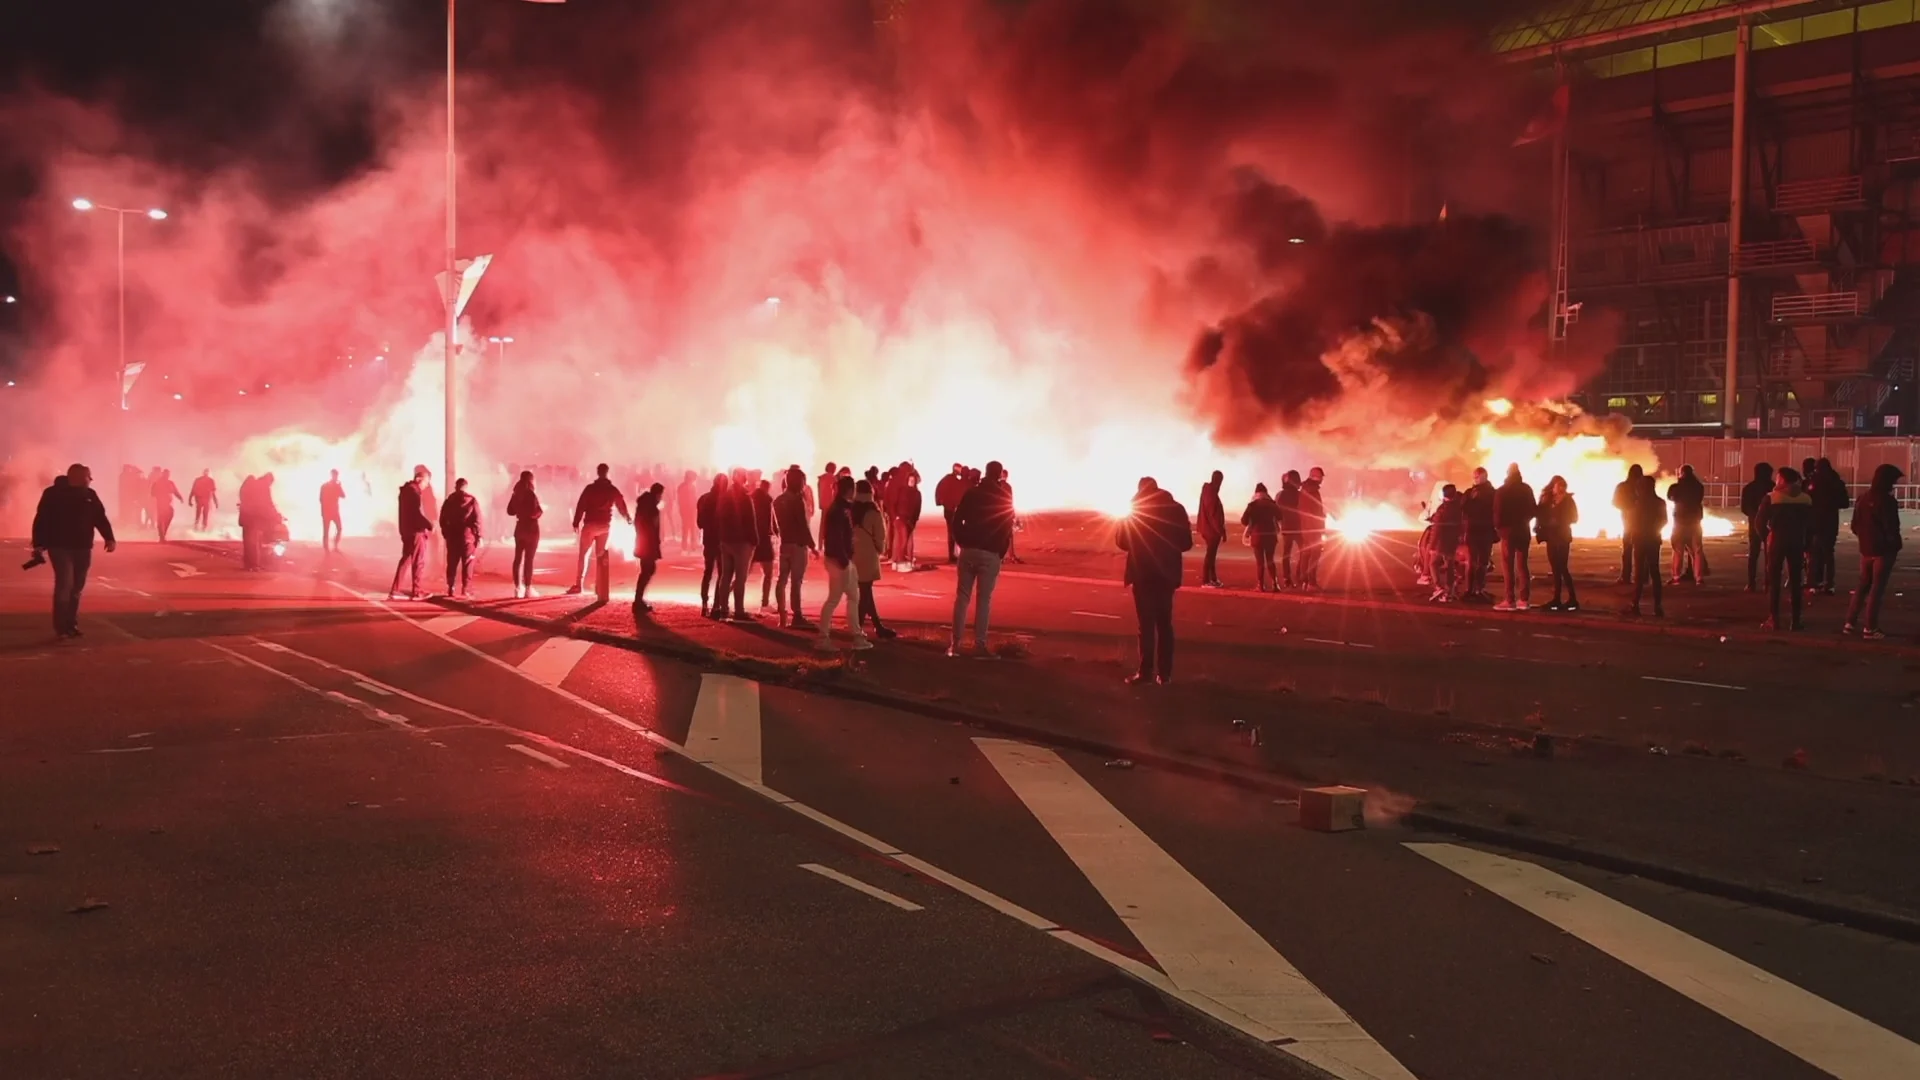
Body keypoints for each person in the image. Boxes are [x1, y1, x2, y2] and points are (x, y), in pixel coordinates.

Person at [1116, 477, 1192, 685]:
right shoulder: (1176, 509)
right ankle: (1165, 674)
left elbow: (1121, 540)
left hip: (1142, 572)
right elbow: (1186, 543)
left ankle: (1145, 672)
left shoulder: (1135, 508)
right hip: (1166, 574)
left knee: (1146, 625)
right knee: (1164, 624)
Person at [30, 464, 116, 639]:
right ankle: (61, 627)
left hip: (83, 547)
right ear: (76, 477)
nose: (90, 480)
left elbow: (100, 517)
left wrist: (109, 537)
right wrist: (38, 544)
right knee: (65, 583)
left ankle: (71, 624)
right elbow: (41, 519)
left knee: (77, 587)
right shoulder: (53, 494)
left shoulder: (89, 495)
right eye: (88, 477)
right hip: (59, 547)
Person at [949, 460, 1015, 656]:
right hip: (990, 553)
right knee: (984, 600)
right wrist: (1000, 551)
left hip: (969, 550)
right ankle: (980, 644)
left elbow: (956, 519)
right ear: (998, 475)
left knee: (962, 598)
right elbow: (1007, 526)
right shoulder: (1003, 496)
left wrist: (961, 541)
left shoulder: (972, 493)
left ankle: (955, 644)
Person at [1843, 464, 1903, 639]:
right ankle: (1870, 627)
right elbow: (1892, 527)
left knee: (1863, 586)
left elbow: (1855, 525)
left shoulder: (1862, 499)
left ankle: (1850, 622)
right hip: (1883, 551)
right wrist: (1893, 543)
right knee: (1877, 589)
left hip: (1866, 549)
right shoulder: (1888, 501)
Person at [816, 475, 871, 651]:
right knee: (834, 599)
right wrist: (844, 561)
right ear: (849, 490)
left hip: (842, 560)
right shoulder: (838, 511)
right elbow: (835, 538)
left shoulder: (841, 508)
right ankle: (823, 638)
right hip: (839, 561)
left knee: (853, 596)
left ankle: (856, 635)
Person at [1756, 467, 1812, 631]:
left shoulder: (1772, 498)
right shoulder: (1805, 498)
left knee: (1774, 581)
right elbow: (1811, 524)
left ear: (1781, 479)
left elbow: (1759, 522)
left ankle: (1774, 619)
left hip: (1777, 541)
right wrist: (1806, 543)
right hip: (1797, 541)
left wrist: (1766, 537)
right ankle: (1795, 620)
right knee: (1796, 582)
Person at [570, 463, 631, 599]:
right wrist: (627, 518)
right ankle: (600, 586)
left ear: (597, 472)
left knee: (584, 554)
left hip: (590, 524)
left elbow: (581, 505)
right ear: (607, 473)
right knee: (600, 555)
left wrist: (576, 521)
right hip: (605, 525)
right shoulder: (611, 489)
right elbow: (621, 504)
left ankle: (579, 585)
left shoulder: (590, 489)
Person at [851, 479, 897, 639]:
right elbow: (880, 538)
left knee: (865, 591)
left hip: (852, 556)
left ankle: (877, 626)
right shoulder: (874, 513)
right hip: (868, 556)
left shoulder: (850, 511)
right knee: (865, 592)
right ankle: (858, 629)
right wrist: (881, 550)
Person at [772, 467, 816, 630]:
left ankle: (782, 612)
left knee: (781, 579)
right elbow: (803, 526)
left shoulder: (777, 501)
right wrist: (812, 546)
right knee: (796, 582)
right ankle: (797, 615)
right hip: (798, 545)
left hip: (784, 544)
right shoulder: (797, 501)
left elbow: (773, 528)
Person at [1493, 463, 1536, 611]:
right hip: (1523, 531)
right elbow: (1533, 510)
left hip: (1508, 533)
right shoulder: (1526, 489)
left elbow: (1497, 513)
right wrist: (1523, 521)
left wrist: (1499, 528)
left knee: (1507, 566)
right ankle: (1524, 600)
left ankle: (1509, 600)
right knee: (1522, 565)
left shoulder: (1503, 491)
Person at [717, 467, 759, 621]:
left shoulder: (725, 496)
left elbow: (719, 517)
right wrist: (754, 540)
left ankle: (723, 609)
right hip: (742, 542)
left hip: (726, 540)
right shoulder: (745, 497)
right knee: (740, 577)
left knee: (726, 576)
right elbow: (750, 521)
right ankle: (739, 610)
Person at [389, 467, 435, 600]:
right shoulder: (414, 492)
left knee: (406, 559)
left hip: (406, 530)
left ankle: (395, 590)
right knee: (418, 561)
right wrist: (428, 525)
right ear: (419, 479)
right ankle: (417, 591)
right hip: (416, 532)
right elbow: (415, 513)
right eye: (426, 482)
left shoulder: (405, 491)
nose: (426, 486)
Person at [1535, 475, 1579, 611]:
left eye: (1563, 486)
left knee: (1562, 568)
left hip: (1563, 537)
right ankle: (1557, 599)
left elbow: (1575, 518)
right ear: (1553, 487)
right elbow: (1540, 514)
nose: (1561, 488)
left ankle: (1571, 599)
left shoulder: (1568, 500)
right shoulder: (1547, 500)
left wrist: (1559, 520)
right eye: (1558, 485)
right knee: (1555, 569)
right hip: (1552, 537)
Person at [1808, 457, 1850, 595]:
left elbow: (1807, 499)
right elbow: (1844, 503)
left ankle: (1815, 582)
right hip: (1831, 521)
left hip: (1815, 520)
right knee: (1828, 553)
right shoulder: (1836, 482)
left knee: (1815, 553)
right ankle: (1829, 583)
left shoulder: (1814, 481)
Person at [1627, 473, 1667, 618]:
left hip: (1640, 540)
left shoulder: (1638, 502)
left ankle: (1635, 604)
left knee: (1639, 574)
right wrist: (1654, 531)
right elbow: (1663, 520)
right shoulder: (1659, 502)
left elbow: (1631, 520)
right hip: (1653, 540)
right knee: (1654, 572)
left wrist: (1635, 532)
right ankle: (1657, 606)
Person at [438, 477, 481, 599]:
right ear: (466, 487)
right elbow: (477, 519)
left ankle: (451, 587)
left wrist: (446, 533)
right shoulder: (471, 501)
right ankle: (465, 589)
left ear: (456, 487)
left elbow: (442, 519)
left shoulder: (449, 501)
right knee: (467, 563)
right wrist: (478, 535)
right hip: (467, 537)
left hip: (452, 536)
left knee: (452, 562)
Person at [1666, 464, 1707, 584]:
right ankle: (1699, 578)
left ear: (1682, 473)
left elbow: (1670, 497)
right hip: (1695, 521)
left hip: (1680, 522)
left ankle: (1676, 577)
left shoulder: (1677, 486)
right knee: (1697, 550)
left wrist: (1679, 482)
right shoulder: (1698, 486)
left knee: (1678, 550)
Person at [1462, 466, 1497, 602]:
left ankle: (1478, 589)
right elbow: (1463, 509)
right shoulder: (1470, 493)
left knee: (1482, 562)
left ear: (1485, 476)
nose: (1475, 479)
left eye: (1477, 476)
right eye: (1474, 476)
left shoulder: (1492, 493)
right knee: (1471, 562)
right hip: (1473, 531)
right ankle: (1469, 589)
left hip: (1485, 531)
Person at [696, 473, 728, 616]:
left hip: (708, 540)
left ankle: (704, 604)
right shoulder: (726, 500)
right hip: (721, 540)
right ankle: (717, 605)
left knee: (708, 572)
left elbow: (699, 523)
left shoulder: (703, 499)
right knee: (722, 573)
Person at [506, 470, 542, 599]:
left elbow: (510, 511)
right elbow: (535, 511)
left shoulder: (516, 494)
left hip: (520, 527)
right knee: (529, 559)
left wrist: (519, 511)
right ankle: (527, 588)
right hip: (531, 528)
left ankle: (517, 588)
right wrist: (539, 512)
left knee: (517, 558)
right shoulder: (531, 494)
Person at [1426, 483, 1465, 602]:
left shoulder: (1442, 509)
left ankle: (1438, 587)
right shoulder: (1458, 508)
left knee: (1432, 563)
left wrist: (1432, 545)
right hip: (1452, 542)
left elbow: (1437, 528)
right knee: (1450, 565)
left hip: (1441, 542)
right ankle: (1450, 590)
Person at [1740, 462, 1775, 592]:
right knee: (1770, 554)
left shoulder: (1749, 488)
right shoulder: (1773, 487)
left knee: (1753, 554)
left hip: (1754, 523)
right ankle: (1768, 582)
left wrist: (1753, 515)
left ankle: (1751, 583)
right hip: (1770, 524)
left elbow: (1744, 507)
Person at [1240, 482, 1281, 592]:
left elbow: (1243, 521)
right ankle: (1275, 584)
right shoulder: (1272, 504)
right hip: (1270, 536)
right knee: (1270, 560)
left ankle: (1261, 585)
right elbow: (1280, 516)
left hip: (1257, 536)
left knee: (1260, 562)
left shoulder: (1252, 505)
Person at [632, 482, 665, 614]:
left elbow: (638, 523)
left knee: (646, 570)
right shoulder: (651, 508)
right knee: (648, 570)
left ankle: (638, 600)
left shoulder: (643, 505)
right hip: (648, 544)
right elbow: (652, 527)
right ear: (657, 494)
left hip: (643, 541)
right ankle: (638, 601)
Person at [1612, 464, 1644, 583]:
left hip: (1628, 522)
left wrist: (1626, 508)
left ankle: (1626, 577)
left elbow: (1615, 502)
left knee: (1628, 550)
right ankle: (1642, 577)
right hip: (1641, 522)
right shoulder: (1644, 486)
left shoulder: (1622, 486)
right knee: (1642, 551)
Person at [1296, 466, 1327, 589]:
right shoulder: (1312, 490)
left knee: (1306, 554)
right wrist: (1319, 525)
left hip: (1306, 528)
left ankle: (1304, 581)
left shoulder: (1305, 489)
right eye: (1320, 477)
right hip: (1313, 529)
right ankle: (1311, 583)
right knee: (1314, 555)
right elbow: (1313, 511)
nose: (1322, 480)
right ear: (1316, 477)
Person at [1196, 470, 1226, 588]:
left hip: (1209, 528)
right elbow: (1213, 514)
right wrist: (1220, 530)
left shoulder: (1210, 491)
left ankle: (1212, 579)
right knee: (1210, 554)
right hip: (1211, 530)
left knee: (1211, 555)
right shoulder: (1211, 493)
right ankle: (1206, 580)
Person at [752, 477, 777, 611]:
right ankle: (764, 603)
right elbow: (770, 522)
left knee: (742, 574)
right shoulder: (767, 501)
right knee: (768, 573)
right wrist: (774, 533)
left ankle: (724, 598)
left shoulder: (750, 498)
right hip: (764, 541)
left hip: (751, 540)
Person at [890, 470, 923, 572]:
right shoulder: (901, 490)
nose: (911, 482)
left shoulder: (917, 494)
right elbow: (894, 503)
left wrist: (914, 521)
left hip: (910, 521)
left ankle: (897, 562)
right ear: (907, 480)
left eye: (913, 480)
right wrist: (895, 516)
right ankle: (900, 562)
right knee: (903, 540)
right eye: (910, 480)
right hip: (900, 519)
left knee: (903, 540)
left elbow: (917, 508)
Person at [1277, 471, 1304, 588]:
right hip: (1299, 528)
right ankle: (1299, 576)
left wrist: (1280, 523)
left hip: (1286, 528)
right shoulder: (1300, 495)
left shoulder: (1280, 495)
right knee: (1304, 552)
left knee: (1286, 554)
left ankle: (1287, 578)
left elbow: (1276, 510)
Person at [150, 467, 183, 542]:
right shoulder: (157, 482)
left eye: (168, 474)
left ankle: (163, 533)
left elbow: (175, 491)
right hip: (161, 503)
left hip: (168, 504)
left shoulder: (170, 483)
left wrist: (180, 497)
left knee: (170, 515)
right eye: (166, 474)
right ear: (163, 474)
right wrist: (160, 495)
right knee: (161, 519)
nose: (167, 476)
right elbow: (152, 493)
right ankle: (162, 536)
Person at [319, 469, 346, 553]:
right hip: (329, 511)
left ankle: (334, 545)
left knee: (339, 528)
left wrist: (339, 486)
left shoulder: (334, 486)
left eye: (336, 475)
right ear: (331, 475)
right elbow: (321, 499)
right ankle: (326, 547)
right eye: (334, 475)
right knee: (326, 530)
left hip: (333, 511)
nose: (335, 477)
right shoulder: (325, 486)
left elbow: (343, 495)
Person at [676, 470, 700, 551]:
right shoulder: (683, 487)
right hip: (686, 509)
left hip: (691, 509)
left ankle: (691, 545)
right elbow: (681, 500)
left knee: (692, 527)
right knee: (686, 528)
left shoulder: (691, 486)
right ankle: (685, 546)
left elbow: (694, 498)